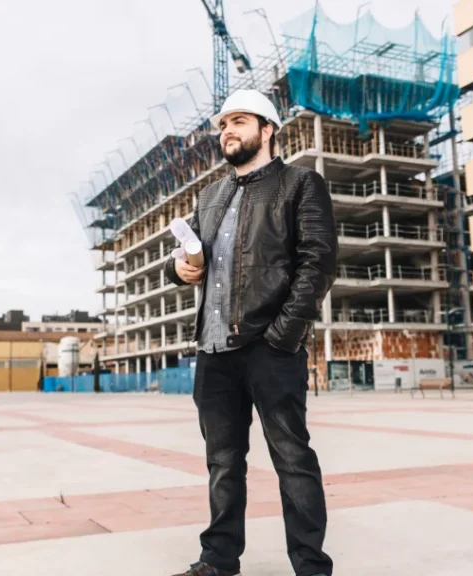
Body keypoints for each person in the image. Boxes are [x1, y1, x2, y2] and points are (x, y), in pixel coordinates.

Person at [164, 89, 337, 576]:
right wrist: (182, 267)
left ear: (268, 129)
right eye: (223, 125)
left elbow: (318, 263)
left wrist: (284, 335)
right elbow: (182, 259)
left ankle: (310, 566)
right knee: (222, 461)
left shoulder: (301, 184)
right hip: (213, 349)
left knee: (292, 459)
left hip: (270, 347)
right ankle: (218, 560)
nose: (228, 131)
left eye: (239, 121)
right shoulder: (211, 195)